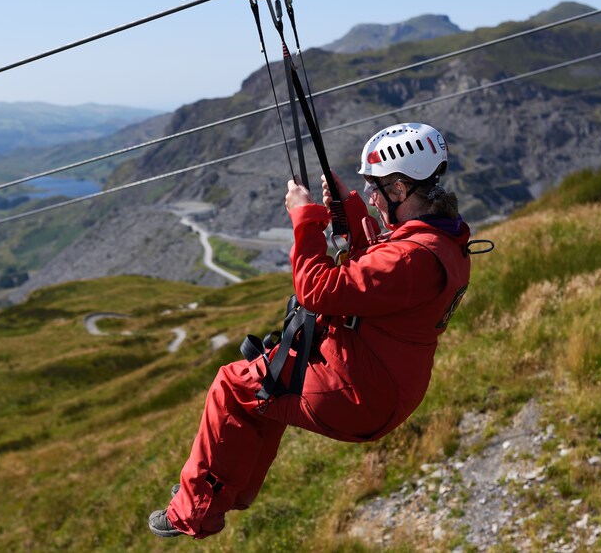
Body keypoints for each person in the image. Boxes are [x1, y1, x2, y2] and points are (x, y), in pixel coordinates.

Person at [148, 122, 472, 539]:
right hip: (381, 381)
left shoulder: (412, 259)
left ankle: (193, 513)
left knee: (234, 386)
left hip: (363, 394)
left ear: (400, 190)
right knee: (263, 390)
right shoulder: (439, 238)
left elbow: (318, 289)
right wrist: (349, 207)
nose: (372, 197)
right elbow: (380, 269)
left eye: (375, 188)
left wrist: (305, 220)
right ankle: (221, 493)